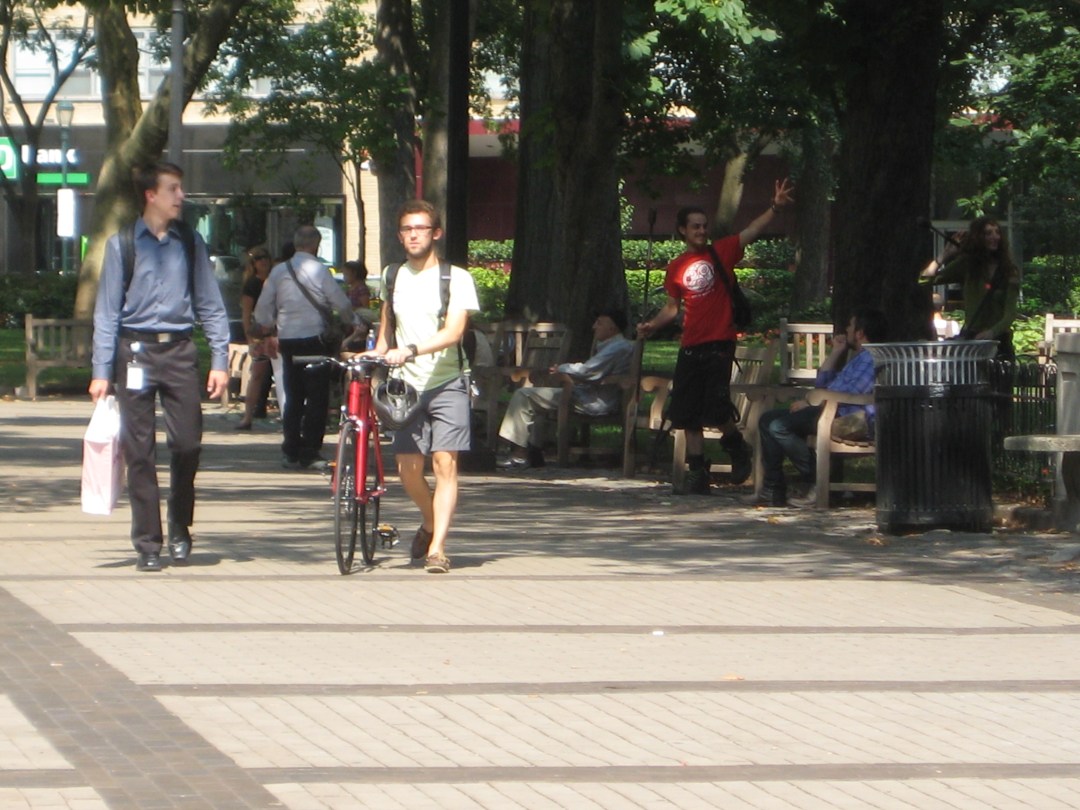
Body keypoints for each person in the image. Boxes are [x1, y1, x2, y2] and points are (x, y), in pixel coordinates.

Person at [89, 161, 231, 572]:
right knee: (139, 452)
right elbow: (106, 312)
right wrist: (101, 371)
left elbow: (210, 303)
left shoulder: (190, 242)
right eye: (173, 189)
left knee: (187, 444)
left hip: (180, 352)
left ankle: (180, 526)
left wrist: (219, 359)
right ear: (151, 195)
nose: (180, 196)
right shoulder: (122, 245)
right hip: (134, 353)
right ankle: (148, 542)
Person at [637, 178, 795, 495]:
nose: (701, 230)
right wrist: (652, 325)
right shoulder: (676, 266)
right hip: (690, 345)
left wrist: (774, 208)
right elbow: (671, 308)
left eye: (704, 225)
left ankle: (736, 448)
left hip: (719, 342)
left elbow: (751, 230)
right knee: (687, 412)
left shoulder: (721, 252)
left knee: (716, 406)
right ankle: (698, 474)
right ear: (682, 230)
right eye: (695, 226)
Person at [367, 200, 480, 574]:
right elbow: (387, 325)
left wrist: (412, 350)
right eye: (406, 229)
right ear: (400, 235)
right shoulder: (391, 275)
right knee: (408, 469)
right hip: (405, 387)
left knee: (445, 462)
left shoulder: (456, 278)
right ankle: (430, 521)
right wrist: (376, 354)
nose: (413, 234)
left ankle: (437, 548)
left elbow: (454, 331)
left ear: (436, 233)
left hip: (448, 380)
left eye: (421, 228)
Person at [747, 308, 888, 508]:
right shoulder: (858, 356)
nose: (846, 329)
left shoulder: (871, 358)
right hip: (831, 410)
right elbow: (823, 385)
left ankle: (818, 479)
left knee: (778, 426)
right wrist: (836, 353)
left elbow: (850, 394)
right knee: (768, 419)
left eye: (850, 326)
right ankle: (773, 489)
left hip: (849, 418)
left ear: (860, 333)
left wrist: (811, 402)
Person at [251, 225, 361, 470]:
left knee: (294, 394)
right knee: (317, 396)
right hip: (315, 339)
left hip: (288, 340)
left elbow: (263, 309)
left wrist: (269, 328)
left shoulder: (279, 272)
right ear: (316, 245)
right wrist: (352, 321)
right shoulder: (319, 270)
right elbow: (339, 302)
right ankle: (310, 449)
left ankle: (290, 448)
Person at [497, 309, 635, 468]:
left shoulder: (617, 348)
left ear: (612, 328)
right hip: (586, 393)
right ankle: (533, 451)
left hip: (594, 400)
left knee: (524, 395)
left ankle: (520, 455)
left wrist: (561, 369)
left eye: (599, 323)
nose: (594, 327)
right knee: (533, 398)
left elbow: (588, 371)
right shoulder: (612, 345)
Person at [921, 217, 1019, 358]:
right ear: (978, 237)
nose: (995, 237)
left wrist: (991, 332)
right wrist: (944, 256)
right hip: (973, 341)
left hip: (999, 342)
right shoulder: (967, 265)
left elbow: (1010, 314)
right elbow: (924, 280)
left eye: (997, 232)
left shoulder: (1009, 270)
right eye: (988, 233)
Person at [236, 246, 277, 430]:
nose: (264, 262)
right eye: (259, 259)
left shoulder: (276, 281)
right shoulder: (252, 284)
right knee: (258, 374)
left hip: (278, 332)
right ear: (254, 264)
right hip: (260, 334)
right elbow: (246, 314)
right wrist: (250, 340)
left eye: (266, 258)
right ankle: (247, 416)